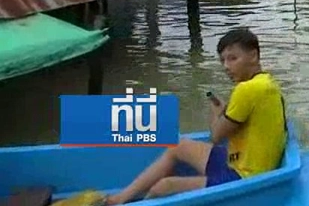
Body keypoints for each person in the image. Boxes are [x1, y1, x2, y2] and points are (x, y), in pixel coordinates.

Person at [105, 28, 287, 204]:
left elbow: (216, 137)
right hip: (242, 161)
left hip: (245, 178)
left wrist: (215, 113)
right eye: (223, 60)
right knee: (179, 146)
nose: (226, 66)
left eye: (233, 58)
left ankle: (128, 201)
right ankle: (120, 199)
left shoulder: (246, 89)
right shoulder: (267, 82)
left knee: (163, 187)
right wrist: (223, 114)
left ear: (253, 55)